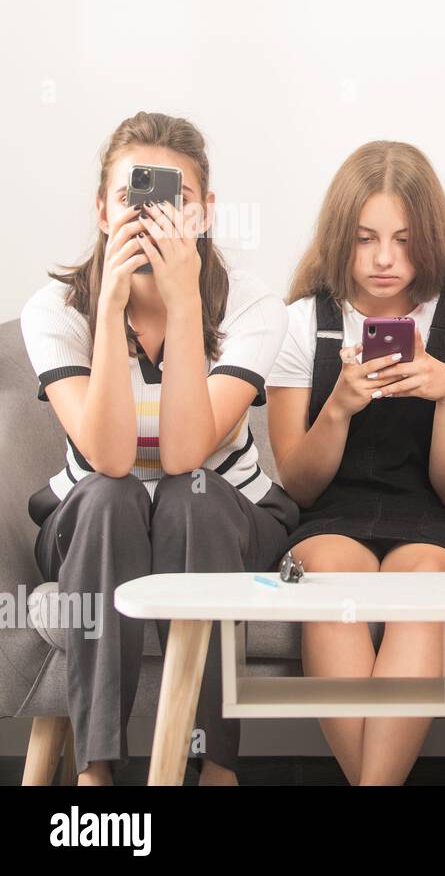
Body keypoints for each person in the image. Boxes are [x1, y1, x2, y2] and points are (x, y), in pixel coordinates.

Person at [20, 111, 296, 785]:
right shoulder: (55, 309)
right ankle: (97, 767)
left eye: (173, 202)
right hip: (94, 517)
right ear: (102, 211)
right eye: (131, 198)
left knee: (188, 498)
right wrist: (111, 308)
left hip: (223, 511)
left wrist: (182, 308)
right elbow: (111, 459)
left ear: (205, 212)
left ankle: (216, 766)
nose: (150, 219)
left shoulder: (251, 303)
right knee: (113, 495)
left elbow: (184, 454)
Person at [266, 141, 445, 785]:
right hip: (332, 511)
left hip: (432, 516)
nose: (385, 259)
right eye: (365, 240)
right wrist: (336, 407)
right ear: (341, 239)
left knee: (428, 585)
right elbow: (299, 482)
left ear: (432, 240)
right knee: (330, 579)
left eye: (403, 239)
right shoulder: (303, 325)